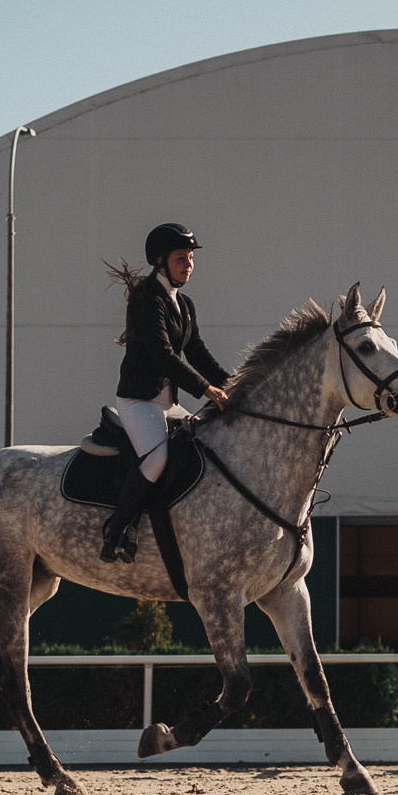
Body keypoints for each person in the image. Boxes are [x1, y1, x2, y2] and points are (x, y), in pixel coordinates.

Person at [101, 224, 231, 562]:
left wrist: (234, 385)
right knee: (157, 457)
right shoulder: (147, 299)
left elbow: (198, 352)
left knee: (203, 445)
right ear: (159, 261)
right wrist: (205, 389)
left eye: (190, 258)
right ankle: (117, 529)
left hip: (167, 403)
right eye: (180, 258)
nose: (188, 264)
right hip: (138, 402)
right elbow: (163, 355)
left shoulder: (184, 303)